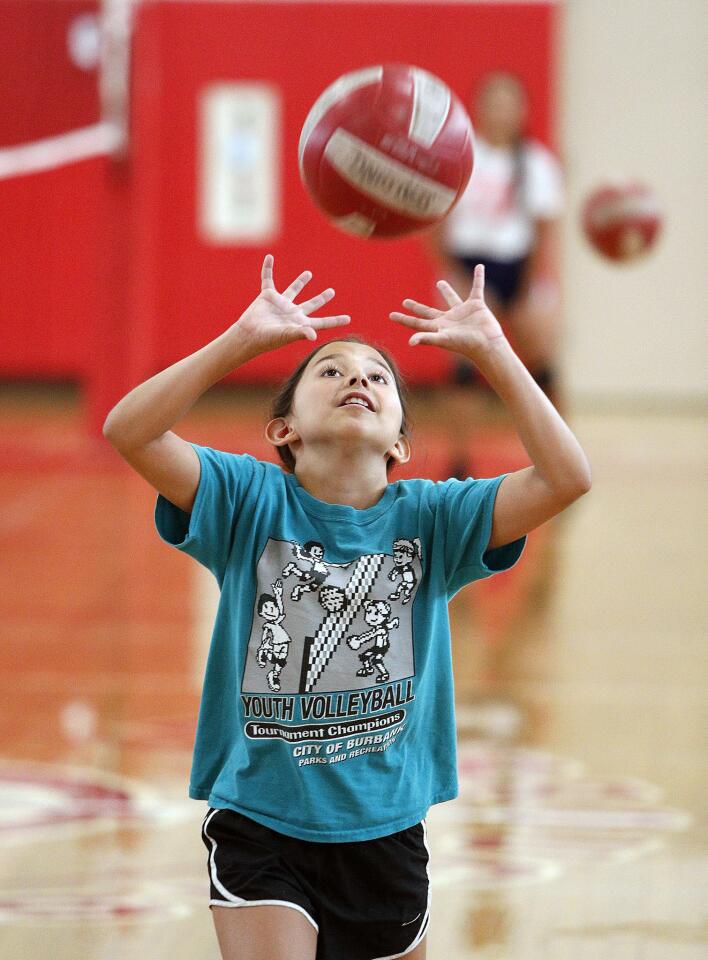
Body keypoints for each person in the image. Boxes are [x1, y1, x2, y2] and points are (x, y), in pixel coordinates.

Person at [102, 254, 591, 960]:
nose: (356, 378)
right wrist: (241, 340)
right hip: (260, 823)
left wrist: (494, 352)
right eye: (328, 370)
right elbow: (130, 430)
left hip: (385, 831)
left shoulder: (434, 519)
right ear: (284, 431)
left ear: (400, 441)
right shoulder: (246, 501)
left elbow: (567, 476)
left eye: (377, 376)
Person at [428, 70, 564, 406]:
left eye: (508, 104)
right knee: (463, 368)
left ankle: (562, 448)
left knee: (542, 367)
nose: (500, 112)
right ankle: (459, 457)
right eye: (493, 103)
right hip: (466, 263)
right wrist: (452, 271)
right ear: (478, 109)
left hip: (519, 266)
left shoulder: (536, 163)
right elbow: (435, 223)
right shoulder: (459, 157)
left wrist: (530, 285)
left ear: (522, 111)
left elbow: (544, 230)